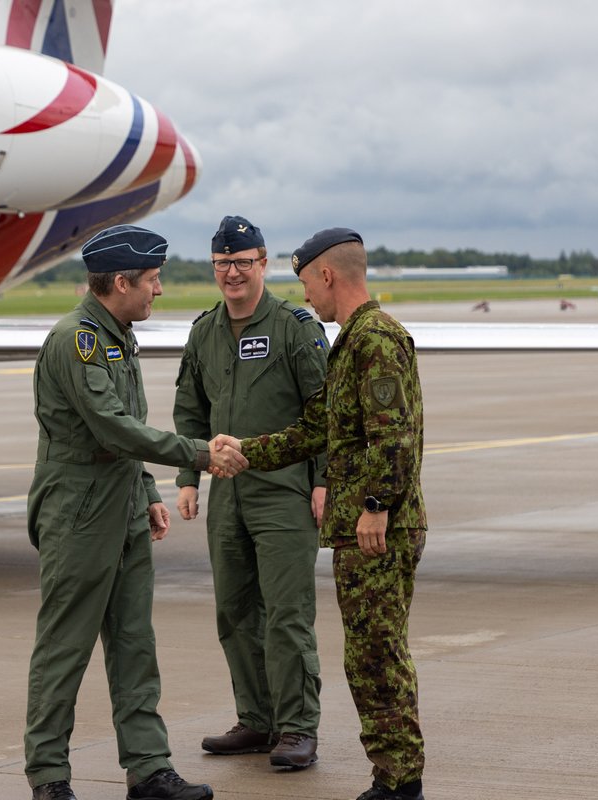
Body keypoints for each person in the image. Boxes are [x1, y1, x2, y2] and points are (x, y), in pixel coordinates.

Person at [24, 224, 246, 800]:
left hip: (120, 504)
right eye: (152, 280)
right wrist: (199, 454)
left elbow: (128, 426)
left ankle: (148, 769)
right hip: (78, 512)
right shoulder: (78, 341)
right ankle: (49, 778)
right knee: (64, 646)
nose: (160, 290)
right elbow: (112, 426)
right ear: (119, 282)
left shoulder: (117, 335)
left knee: (134, 646)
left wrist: (146, 491)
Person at [212, 228, 429, 800]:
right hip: (364, 528)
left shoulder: (375, 338)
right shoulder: (352, 340)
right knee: (368, 657)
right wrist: (248, 452)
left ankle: (401, 782)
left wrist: (376, 507)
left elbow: (394, 437)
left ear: (327, 275)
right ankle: (393, 777)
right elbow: (317, 431)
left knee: (378, 656)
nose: (305, 294)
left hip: (378, 528)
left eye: (306, 281)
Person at [172, 215, 328, 770]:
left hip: (284, 492)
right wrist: (189, 478)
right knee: (234, 610)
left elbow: (324, 409)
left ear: (263, 262)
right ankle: (256, 720)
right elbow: (190, 407)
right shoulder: (205, 331)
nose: (231, 273)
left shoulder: (294, 326)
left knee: (287, 613)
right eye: (221, 264)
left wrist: (324, 480)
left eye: (242, 262)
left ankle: (297, 728)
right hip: (227, 495)